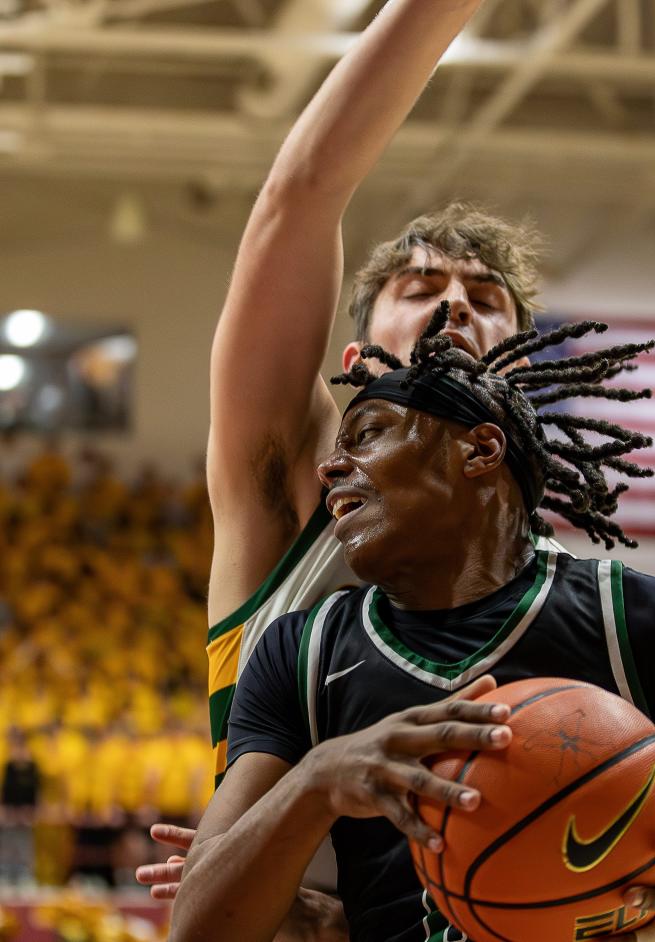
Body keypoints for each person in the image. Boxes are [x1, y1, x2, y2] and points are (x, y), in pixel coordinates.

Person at [169, 316, 655, 942]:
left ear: (480, 449)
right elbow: (193, 930)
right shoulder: (299, 651)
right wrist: (319, 781)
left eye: (366, 434)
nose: (332, 468)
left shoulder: (644, 624)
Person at [137, 0, 558, 903]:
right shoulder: (298, 480)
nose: (456, 305)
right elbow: (302, 193)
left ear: (519, 374)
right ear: (358, 361)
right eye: (421, 287)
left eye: (487, 298)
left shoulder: (567, 585)